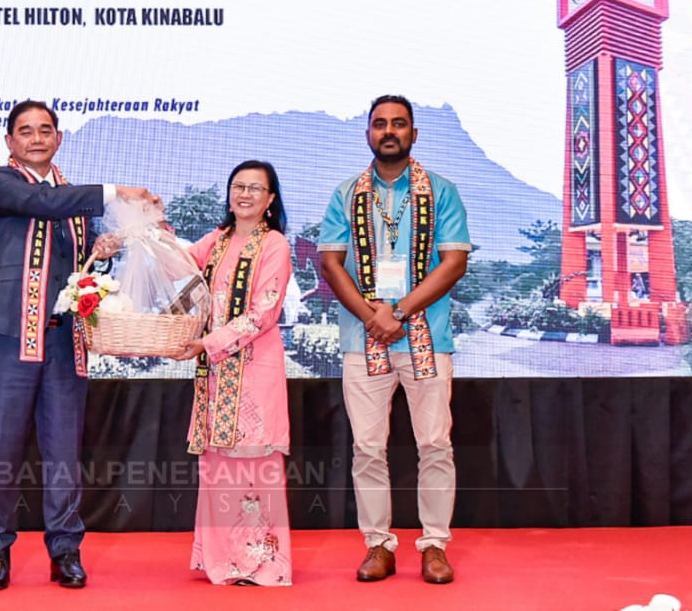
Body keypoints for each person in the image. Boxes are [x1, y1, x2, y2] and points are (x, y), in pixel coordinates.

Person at [0, 99, 155, 591]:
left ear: (58, 137)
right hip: (9, 336)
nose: (36, 138)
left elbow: (79, 270)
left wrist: (101, 253)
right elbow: (41, 204)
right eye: (26, 131)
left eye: (45, 130)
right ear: (9, 141)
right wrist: (117, 192)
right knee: (0, 451)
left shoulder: (72, 199)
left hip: (64, 340)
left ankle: (66, 551)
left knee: (64, 453)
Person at [317, 94, 471, 585]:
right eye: (380, 123)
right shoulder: (346, 194)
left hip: (427, 338)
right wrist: (373, 318)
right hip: (363, 339)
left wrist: (398, 312)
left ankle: (435, 545)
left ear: (413, 134)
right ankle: (378, 544)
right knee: (367, 448)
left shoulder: (441, 191)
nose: (389, 131)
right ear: (368, 133)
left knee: (435, 444)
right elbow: (331, 263)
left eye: (399, 123)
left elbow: (454, 262)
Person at [175, 160, 294, 586]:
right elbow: (179, 270)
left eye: (255, 188)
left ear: (270, 199)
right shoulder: (216, 240)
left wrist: (207, 343)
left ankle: (262, 564)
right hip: (215, 375)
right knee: (218, 467)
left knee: (254, 467)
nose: (245, 194)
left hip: (255, 373)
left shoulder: (275, 244)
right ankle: (222, 561)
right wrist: (147, 234)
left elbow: (264, 312)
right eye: (238, 186)